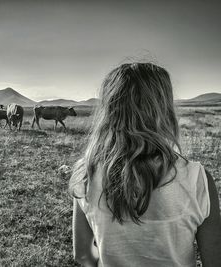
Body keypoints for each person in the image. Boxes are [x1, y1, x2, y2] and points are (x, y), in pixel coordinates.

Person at [69, 62, 221, 267]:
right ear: (164, 110)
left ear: (109, 111)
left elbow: (83, 255)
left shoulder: (87, 174)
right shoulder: (197, 180)